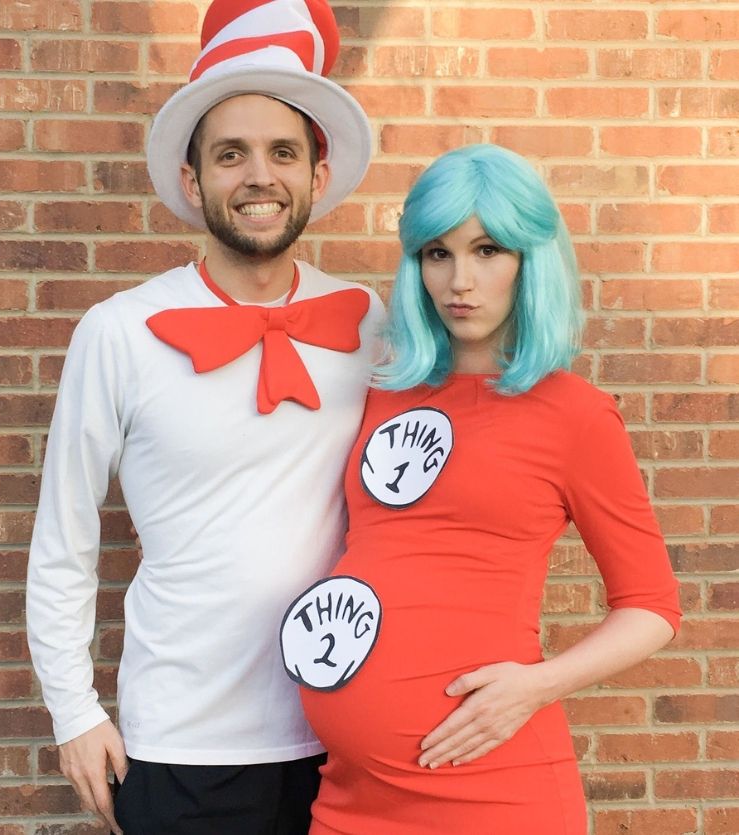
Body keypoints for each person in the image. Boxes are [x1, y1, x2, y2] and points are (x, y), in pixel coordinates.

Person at [25, 2, 383, 833]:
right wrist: (73, 712)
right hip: (181, 744)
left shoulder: (374, 324)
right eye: (231, 154)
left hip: (346, 731)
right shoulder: (117, 332)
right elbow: (65, 540)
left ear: (316, 178)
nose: (259, 175)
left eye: (282, 152)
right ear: (193, 182)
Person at [280, 143, 681, 834]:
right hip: (351, 796)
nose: (458, 280)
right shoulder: (381, 392)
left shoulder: (575, 414)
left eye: (487, 250)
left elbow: (651, 606)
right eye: (436, 253)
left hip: (494, 792)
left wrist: (535, 685)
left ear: (530, 260)